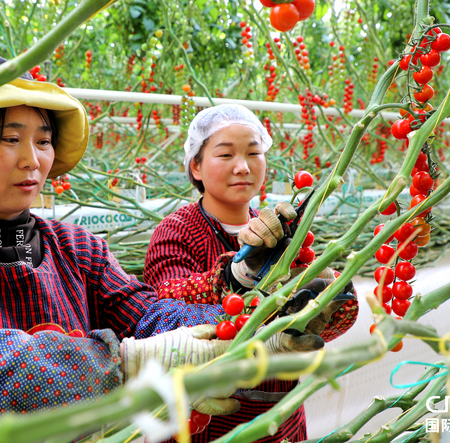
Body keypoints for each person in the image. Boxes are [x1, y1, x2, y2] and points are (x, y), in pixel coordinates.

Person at [0, 55, 318, 435]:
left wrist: (243, 327)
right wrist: (126, 365)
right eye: (11, 139)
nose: (33, 159)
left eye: (42, 141)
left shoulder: (75, 247)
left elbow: (146, 313)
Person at [144, 104, 359, 442]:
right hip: (203, 423)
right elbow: (163, 307)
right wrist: (238, 275)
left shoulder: (286, 233)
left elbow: (335, 320)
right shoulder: (177, 231)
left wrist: (327, 293)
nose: (242, 167)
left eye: (253, 153)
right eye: (225, 154)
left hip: (280, 421)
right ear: (196, 166)